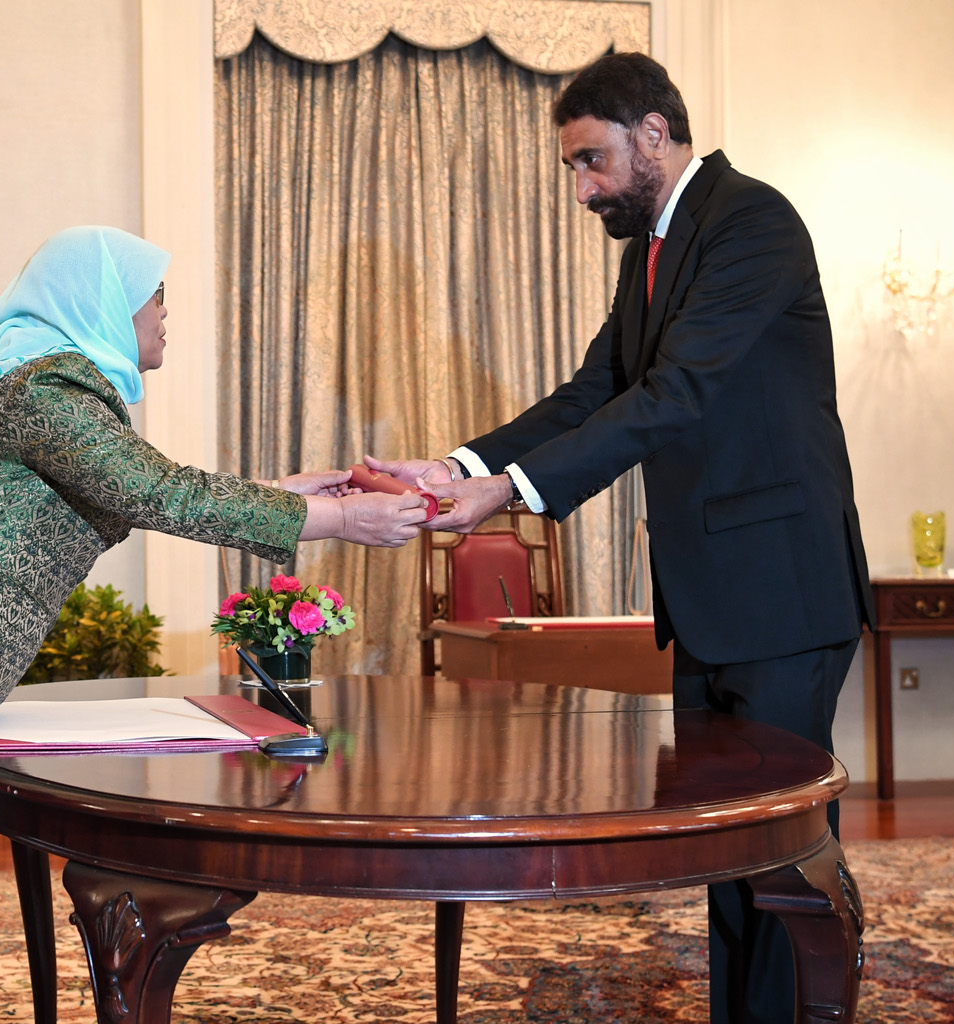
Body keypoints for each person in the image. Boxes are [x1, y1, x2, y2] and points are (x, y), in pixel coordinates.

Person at [0, 225, 428, 1023]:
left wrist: (286, 492)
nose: (165, 313)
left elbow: (147, 487)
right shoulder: (47, 393)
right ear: (101, 304)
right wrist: (342, 518)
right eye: (152, 296)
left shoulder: (54, 394)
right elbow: (161, 494)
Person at [367, 52, 874, 1024]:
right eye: (573, 168)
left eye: (591, 161)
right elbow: (593, 393)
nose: (583, 189)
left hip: (782, 591)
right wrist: (459, 467)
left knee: (784, 856)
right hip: (711, 598)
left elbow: (673, 395)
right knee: (729, 852)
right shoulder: (652, 254)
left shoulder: (753, 221)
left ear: (653, 133)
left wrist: (510, 493)